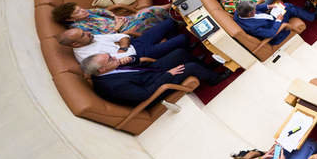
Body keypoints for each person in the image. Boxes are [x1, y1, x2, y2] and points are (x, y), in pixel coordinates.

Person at [81, 47, 224, 106]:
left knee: (179, 53)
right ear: (102, 69)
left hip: (149, 73)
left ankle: (205, 70)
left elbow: (136, 67)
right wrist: (169, 74)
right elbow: (144, 94)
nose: (114, 57)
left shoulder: (109, 68)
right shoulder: (112, 86)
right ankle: (215, 79)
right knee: (190, 67)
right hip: (155, 88)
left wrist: (132, 59)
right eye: (110, 59)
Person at [59, 17, 189, 63]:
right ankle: (183, 48)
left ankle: (178, 46)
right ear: (75, 44)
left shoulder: (90, 37)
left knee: (170, 23)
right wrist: (124, 48)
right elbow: (122, 60)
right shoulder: (87, 57)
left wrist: (122, 47)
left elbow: (121, 36)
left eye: (84, 32)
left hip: (135, 43)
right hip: (139, 55)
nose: (87, 33)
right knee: (182, 38)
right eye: (83, 35)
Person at [51, 2, 173, 37]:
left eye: (80, 8)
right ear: (69, 19)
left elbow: (101, 11)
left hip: (122, 22)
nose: (82, 10)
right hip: (122, 32)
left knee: (145, 12)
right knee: (146, 16)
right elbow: (103, 38)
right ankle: (173, 19)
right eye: (77, 12)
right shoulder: (80, 28)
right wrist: (117, 27)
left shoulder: (86, 13)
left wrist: (114, 16)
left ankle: (171, 8)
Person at [234, 0, 314, 46]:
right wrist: (278, 20)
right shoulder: (253, 27)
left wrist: (269, 6)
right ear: (250, 14)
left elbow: (256, 7)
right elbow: (270, 33)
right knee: (288, 6)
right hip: (277, 31)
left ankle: (304, 13)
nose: (256, 9)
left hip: (270, 18)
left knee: (287, 7)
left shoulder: (238, 13)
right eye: (254, 10)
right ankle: (311, 16)